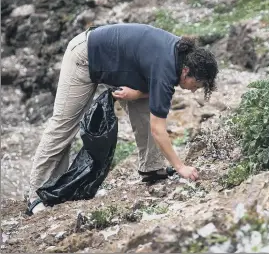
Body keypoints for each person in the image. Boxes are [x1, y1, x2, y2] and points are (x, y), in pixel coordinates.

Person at [26, 23, 219, 215]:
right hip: (84, 55)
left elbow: (152, 85)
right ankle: (36, 194)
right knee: (64, 126)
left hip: (118, 63)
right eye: (198, 84)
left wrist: (136, 94)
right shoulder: (166, 68)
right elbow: (157, 129)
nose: (194, 90)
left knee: (145, 109)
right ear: (186, 71)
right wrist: (180, 167)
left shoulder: (178, 57)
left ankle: (152, 168)